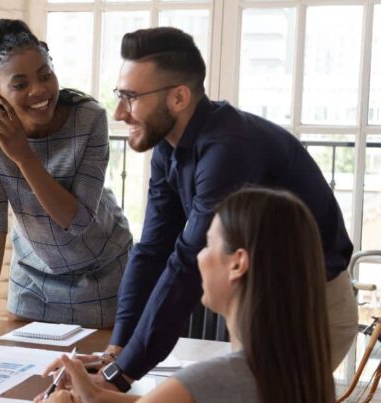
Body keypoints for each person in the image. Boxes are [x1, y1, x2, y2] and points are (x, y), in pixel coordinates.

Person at [76, 26, 355, 393]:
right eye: (119, 95)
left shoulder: (229, 150)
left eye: (130, 97)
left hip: (308, 311)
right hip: (258, 305)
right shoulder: (168, 147)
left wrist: (122, 375)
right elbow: (154, 249)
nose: (119, 113)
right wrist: (117, 352)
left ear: (178, 97)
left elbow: (188, 261)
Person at [0, 19, 133, 343]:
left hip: (103, 274)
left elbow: (76, 220)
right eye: (20, 84)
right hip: (34, 280)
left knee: (92, 385)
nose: (39, 91)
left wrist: (23, 155)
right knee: (23, 384)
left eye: (45, 75)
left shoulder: (89, 118)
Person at [43, 188, 335, 403]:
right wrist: (92, 393)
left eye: (207, 245)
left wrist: (61, 401)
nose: (200, 257)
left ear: (237, 263)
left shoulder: (210, 380)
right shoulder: (299, 374)